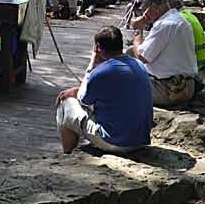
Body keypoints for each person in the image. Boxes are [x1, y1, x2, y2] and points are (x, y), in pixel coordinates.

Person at [55, 26, 152, 154]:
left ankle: (67, 153)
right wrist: (77, 89)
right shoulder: (139, 65)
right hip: (140, 140)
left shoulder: (101, 72)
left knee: (65, 103)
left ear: (97, 47)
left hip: (115, 143)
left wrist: (92, 64)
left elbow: (83, 100)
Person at [128, 0, 198, 106]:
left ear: (154, 8)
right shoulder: (179, 19)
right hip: (187, 85)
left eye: (145, 12)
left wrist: (138, 31)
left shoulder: (164, 25)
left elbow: (143, 56)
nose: (144, 16)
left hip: (170, 89)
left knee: (118, 82)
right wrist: (146, 20)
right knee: (131, 53)